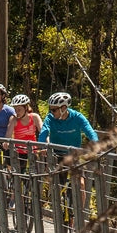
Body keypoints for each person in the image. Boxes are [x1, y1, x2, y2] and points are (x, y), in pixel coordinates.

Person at [37, 92, 97, 223]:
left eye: (54, 109)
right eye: (50, 109)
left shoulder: (77, 117)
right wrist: (41, 146)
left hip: (74, 155)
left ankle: (78, 215)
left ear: (64, 108)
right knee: (57, 184)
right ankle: (58, 209)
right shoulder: (50, 118)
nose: (51, 112)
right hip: (57, 155)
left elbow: (90, 131)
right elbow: (44, 131)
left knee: (81, 184)